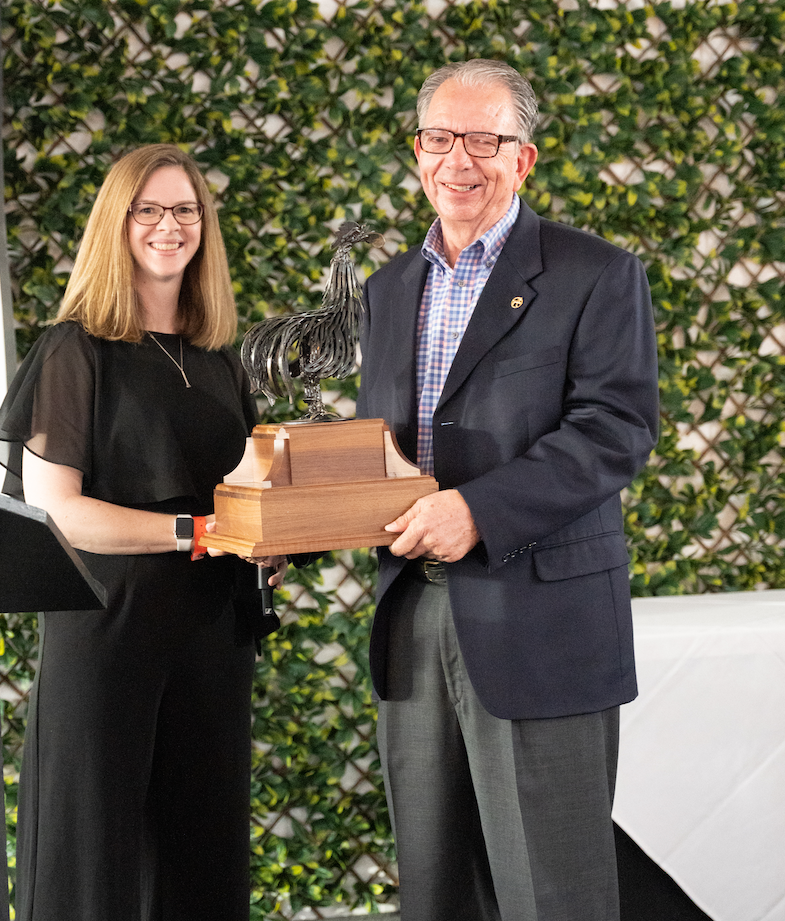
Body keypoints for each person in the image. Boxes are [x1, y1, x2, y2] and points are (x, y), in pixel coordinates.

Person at [355, 60, 660, 921]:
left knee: (552, 895)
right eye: (441, 139)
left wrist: (476, 510)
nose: (462, 160)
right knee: (435, 889)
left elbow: (615, 429)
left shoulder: (596, 274)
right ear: (418, 154)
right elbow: (380, 453)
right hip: (412, 619)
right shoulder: (388, 292)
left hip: (540, 628)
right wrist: (296, 523)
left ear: (522, 159)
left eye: (486, 140)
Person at [0, 144, 277, 921]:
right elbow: (60, 511)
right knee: (94, 859)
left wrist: (269, 541)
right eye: (147, 209)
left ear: (205, 228)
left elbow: (247, 493)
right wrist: (200, 532)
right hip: (107, 634)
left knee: (203, 859)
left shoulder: (221, 360)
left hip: (213, 638)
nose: (168, 226)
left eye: (186, 209)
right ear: (116, 225)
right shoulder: (74, 350)